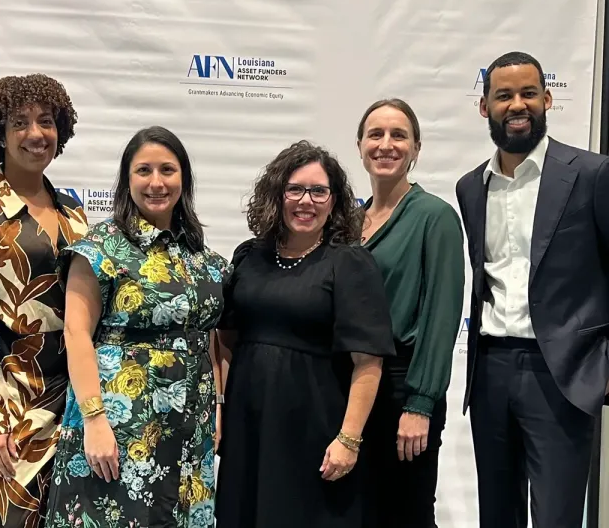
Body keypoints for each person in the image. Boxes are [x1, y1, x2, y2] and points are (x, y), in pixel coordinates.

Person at [44, 126, 230, 528]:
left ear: (185, 178)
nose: (157, 182)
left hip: (188, 423)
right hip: (119, 420)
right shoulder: (101, 247)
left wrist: (217, 408)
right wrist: (93, 421)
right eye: (143, 170)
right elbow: (76, 334)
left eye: (168, 170)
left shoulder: (202, 256)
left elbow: (213, 337)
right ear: (127, 179)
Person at [456, 51, 609, 528]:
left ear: (547, 100)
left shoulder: (591, 174)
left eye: (527, 93)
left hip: (561, 376)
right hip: (491, 374)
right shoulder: (470, 187)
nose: (516, 104)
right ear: (485, 107)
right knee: (496, 516)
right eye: (503, 95)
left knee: (556, 519)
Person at [214, 140, 395, 527]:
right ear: (277, 195)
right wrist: (221, 409)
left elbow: (368, 361)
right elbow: (225, 341)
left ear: (334, 201)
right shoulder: (249, 256)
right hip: (248, 425)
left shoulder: (349, 263)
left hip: (315, 429)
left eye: (318, 191)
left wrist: (348, 440)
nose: (305, 201)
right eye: (295, 189)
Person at [0, 74, 89, 528]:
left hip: (72, 401)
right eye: (20, 123)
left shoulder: (73, 210)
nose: (35, 134)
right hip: (10, 406)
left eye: (46, 121)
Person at [355, 99, 465, 527]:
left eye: (398, 135)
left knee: (408, 511)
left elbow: (441, 317)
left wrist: (420, 404)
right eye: (376, 134)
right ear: (360, 145)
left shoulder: (434, 218)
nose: (386, 144)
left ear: (416, 147)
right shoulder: (350, 220)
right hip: (354, 388)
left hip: (405, 386)